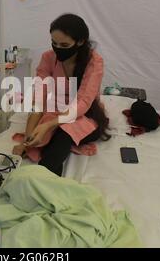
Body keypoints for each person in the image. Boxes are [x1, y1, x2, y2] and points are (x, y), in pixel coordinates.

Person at [13, 14, 110, 176]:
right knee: (45, 136)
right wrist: (26, 141)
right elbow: (39, 97)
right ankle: (46, 180)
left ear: (80, 42)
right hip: (55, 111)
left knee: (64, 132)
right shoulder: (48, 58)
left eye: (64, 44)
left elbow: (84, 102)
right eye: (54, 43)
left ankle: (41, 177)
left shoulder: (93, 62)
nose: (57, 48)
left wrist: (48, 125)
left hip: (85, 115)